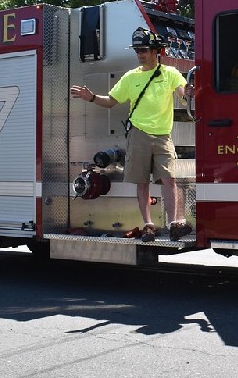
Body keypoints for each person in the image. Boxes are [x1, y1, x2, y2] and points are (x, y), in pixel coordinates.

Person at [69, 27, 193, 242]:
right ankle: (148, 226)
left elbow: (183, 93)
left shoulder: (170, 73)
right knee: (142, 181)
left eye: (143, 50)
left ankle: (174, 224)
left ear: (155, 51)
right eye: (137, 50)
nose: (139, 54)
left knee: (169, 179)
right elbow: (111, 101)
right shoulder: (130, 77)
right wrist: (92, 97)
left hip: (163, 136)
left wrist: (188, 92)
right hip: (138, 134)